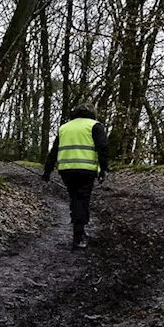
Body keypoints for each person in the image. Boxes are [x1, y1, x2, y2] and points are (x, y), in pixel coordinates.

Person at [42, 103, 109, 249]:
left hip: (66, 170)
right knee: (82, 199)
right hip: (86, 170)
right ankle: (79, 236)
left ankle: (78, 231)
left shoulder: (65, 127)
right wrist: (104, 169)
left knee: (75, 199)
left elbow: (54, 151)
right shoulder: (95, 126)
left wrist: (47, 171)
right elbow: (102, 147)